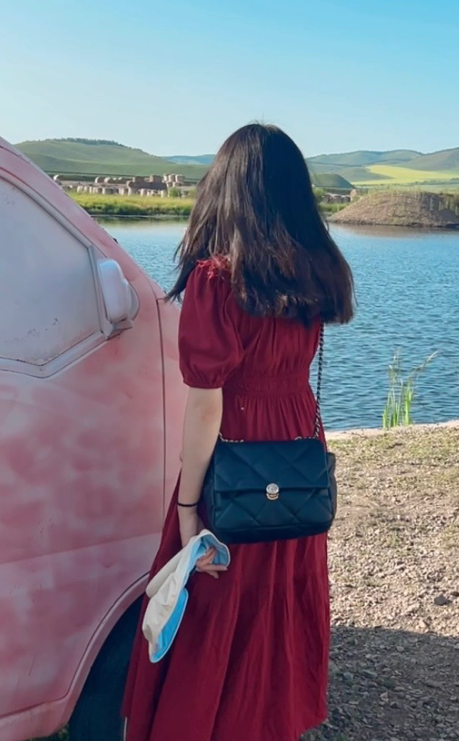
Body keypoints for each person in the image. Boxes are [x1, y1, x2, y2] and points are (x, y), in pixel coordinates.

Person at [122, 123, 355, 741]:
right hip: (295, 447)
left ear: (225, 190)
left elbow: (207, 406)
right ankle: (270, 719)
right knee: (279, 592)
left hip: (237, 451)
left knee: (212, 596)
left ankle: (203, 725)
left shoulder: (217, 280)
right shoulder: (317, 271)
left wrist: (188, 508)